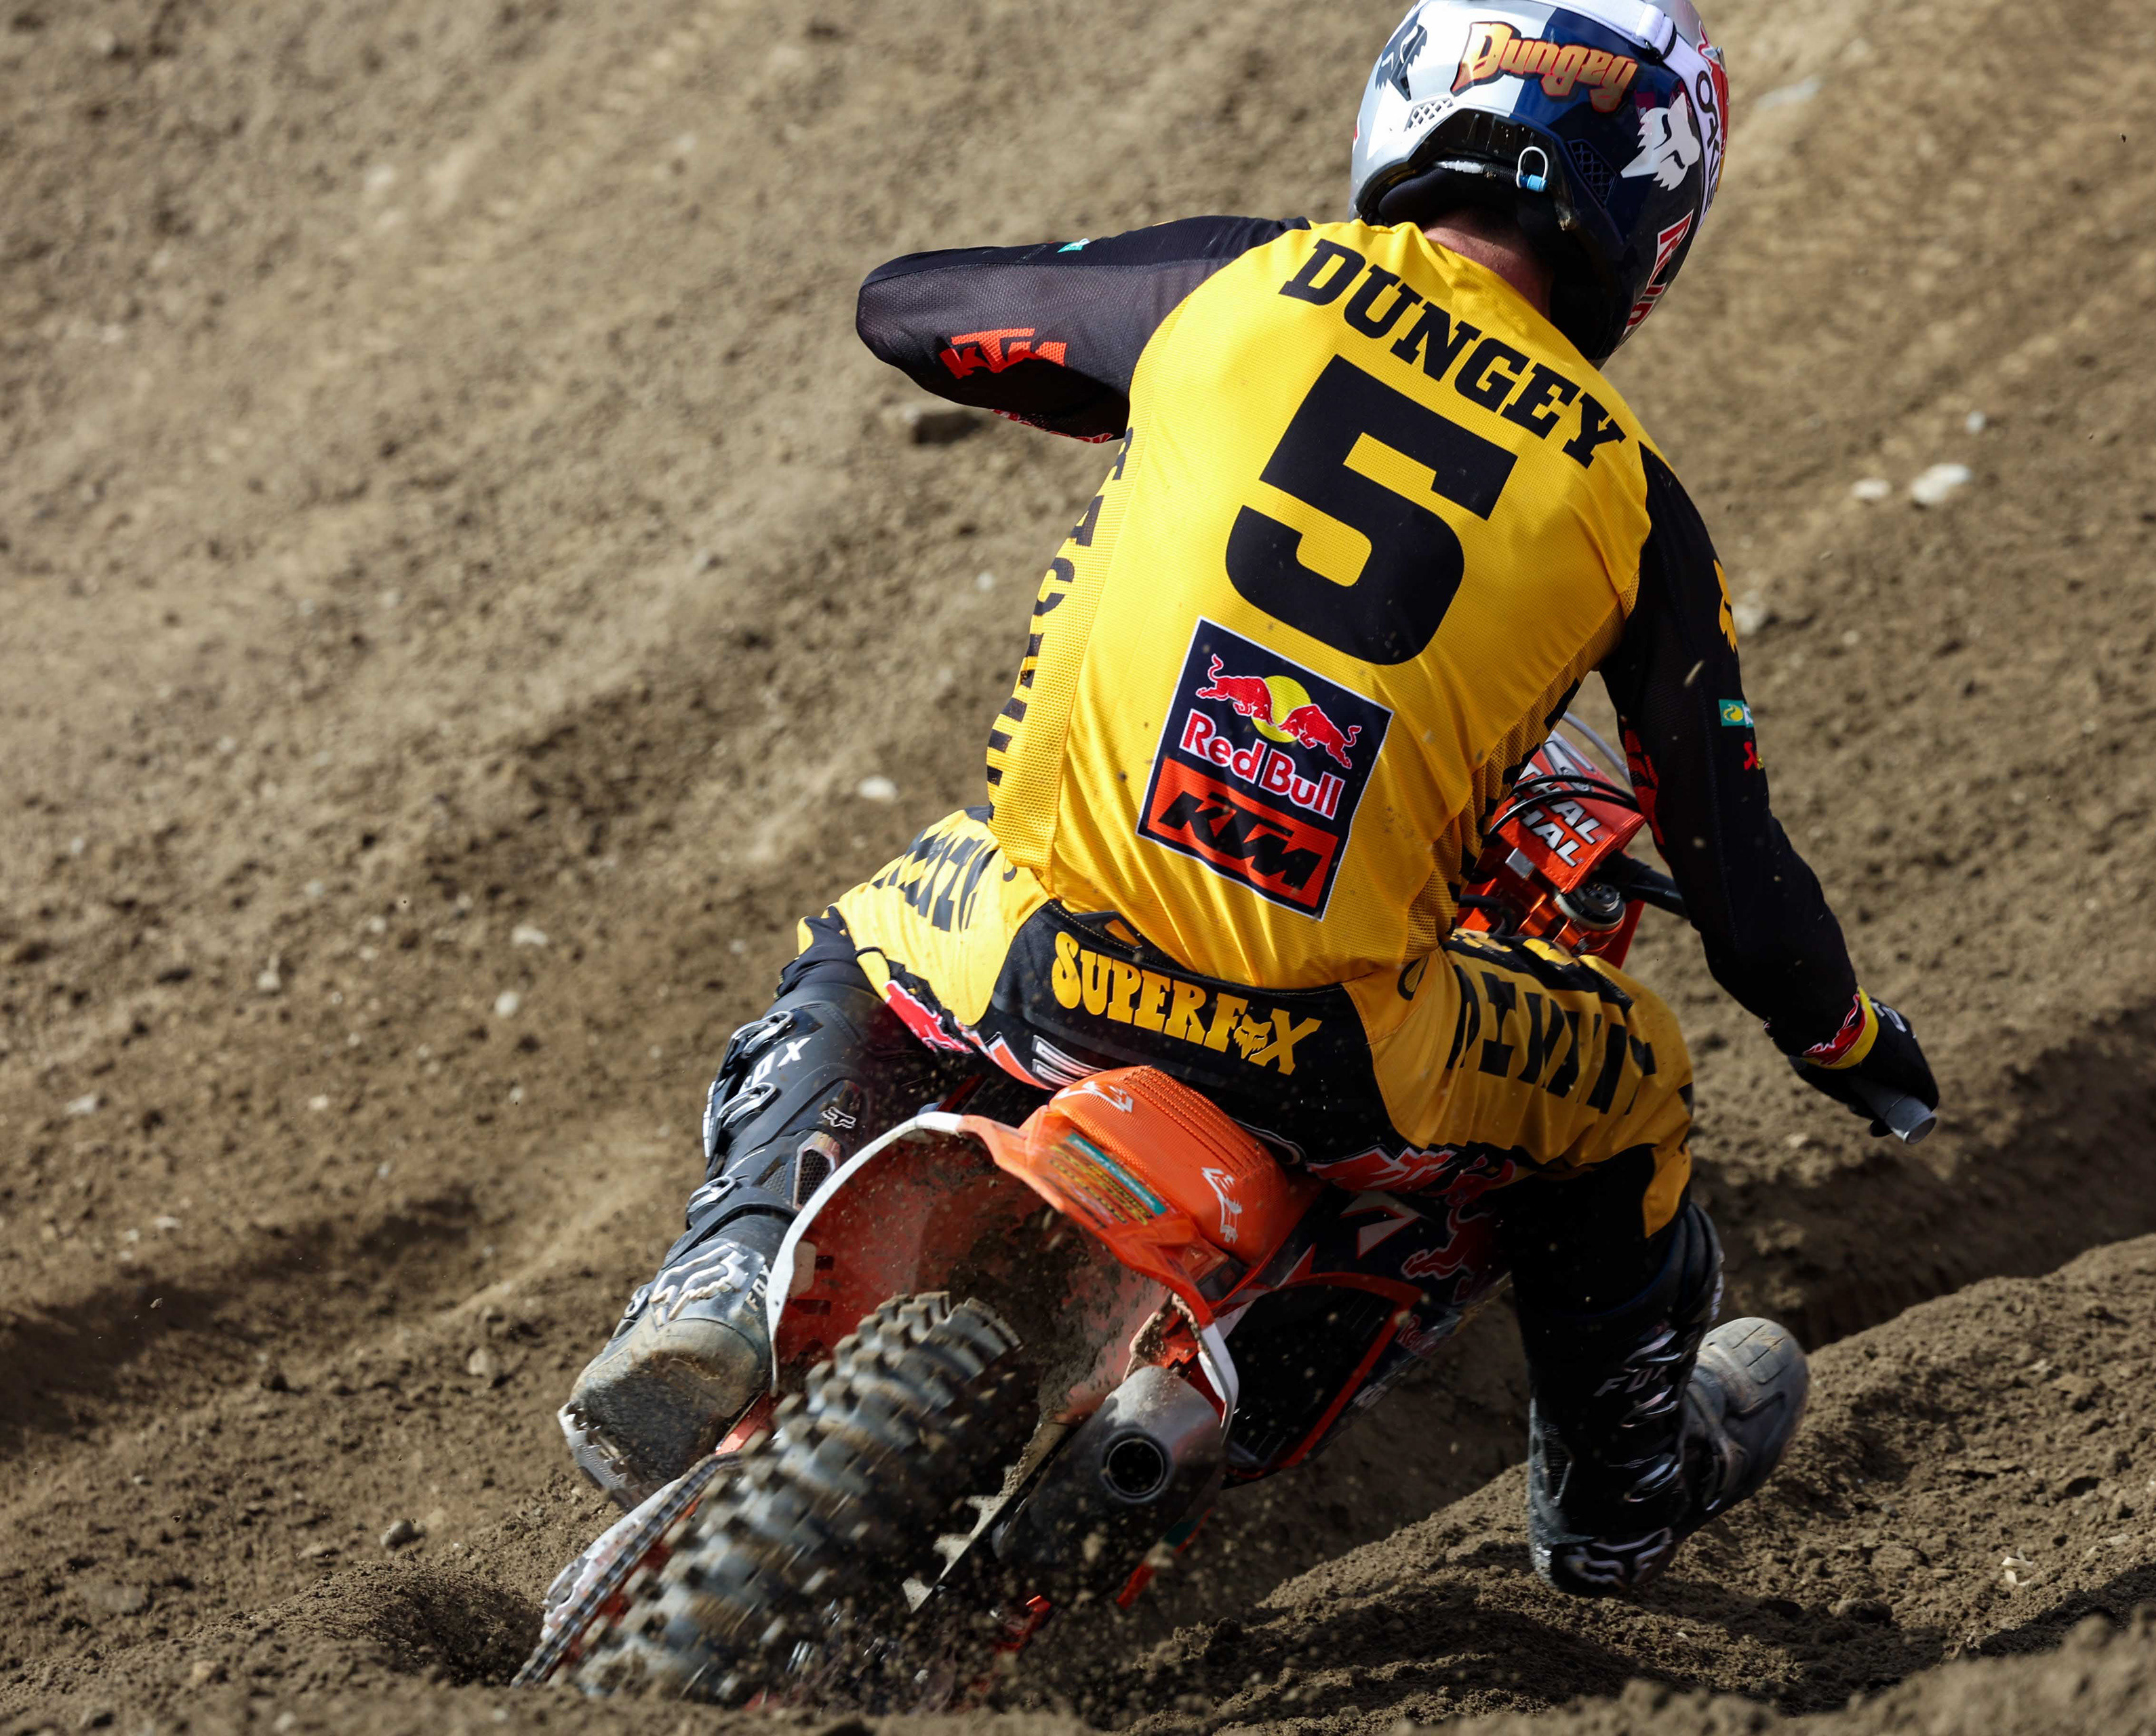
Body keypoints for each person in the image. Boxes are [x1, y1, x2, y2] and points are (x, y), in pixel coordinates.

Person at [561, 0, 1939, 1598]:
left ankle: (725, 1274)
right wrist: (1850, 1039)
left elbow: (910, 310)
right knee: (1632, 1076)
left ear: (1412, 108)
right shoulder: (1636, 504)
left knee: (860, 939)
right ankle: (1620, 1504)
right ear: (1658, 216)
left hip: (1046, 953)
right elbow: (1744, 882)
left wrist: (1129, 379)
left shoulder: (1240, 284)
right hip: (1332, 1051)